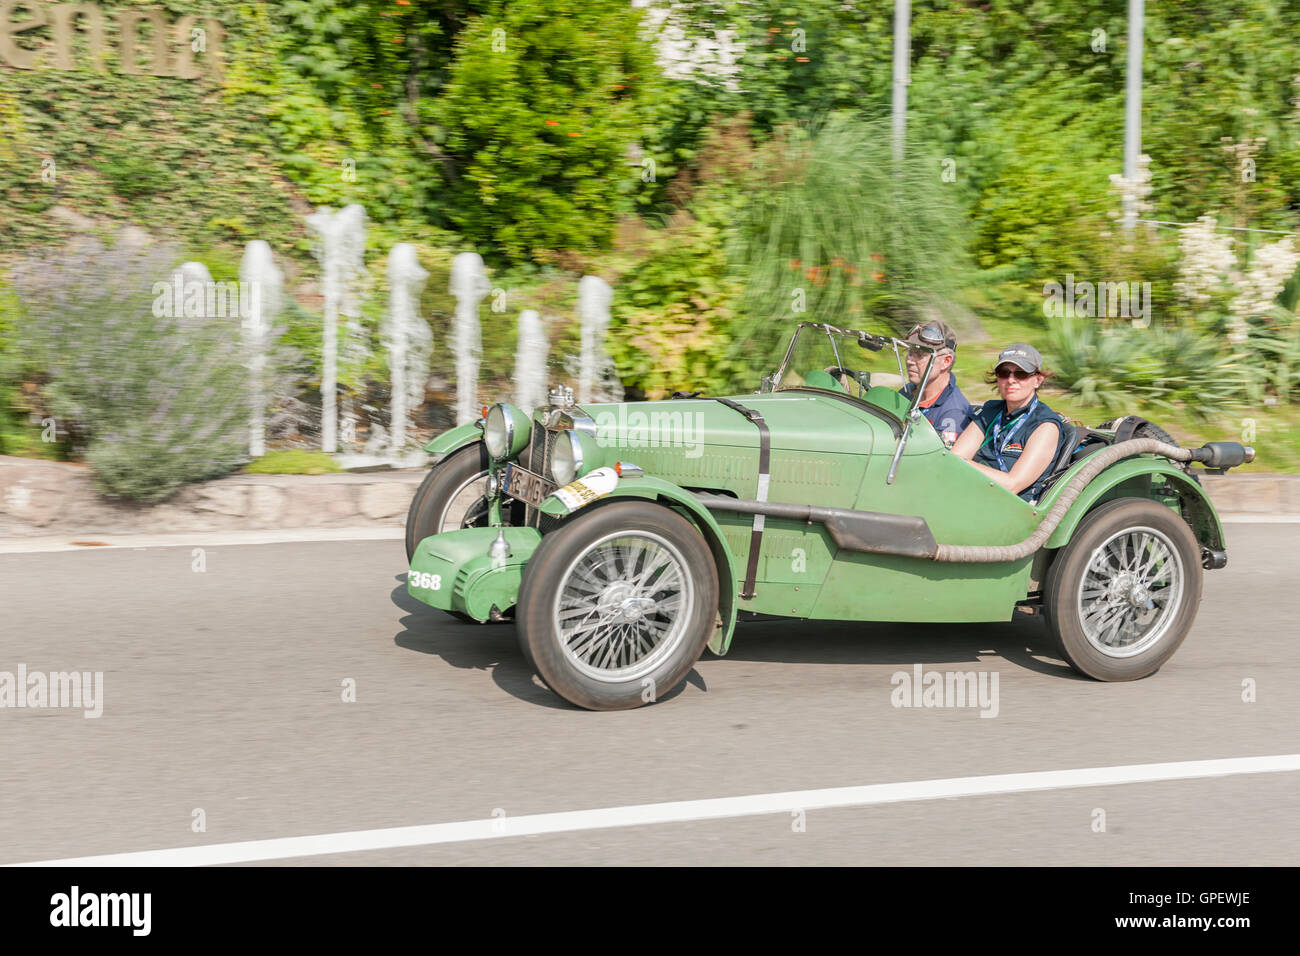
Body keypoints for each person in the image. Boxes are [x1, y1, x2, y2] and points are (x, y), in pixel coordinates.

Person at [950, 344, 1071, 502]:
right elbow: (953, 459)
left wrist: (965, 464)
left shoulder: (1045, 426)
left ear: (1038, 380)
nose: (1011, 380)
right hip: (971, 493)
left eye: (1021, 374)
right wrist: (960, 463)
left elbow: (1012, 484)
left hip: (1010, 506)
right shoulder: (990, 411)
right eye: (1004, 373)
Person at [898, 320, 973, 446]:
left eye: (920, 354)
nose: (910, 360)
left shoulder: (953, 413)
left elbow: (941, 462)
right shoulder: (907, 392)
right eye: (910, 352)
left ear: (946, 361)